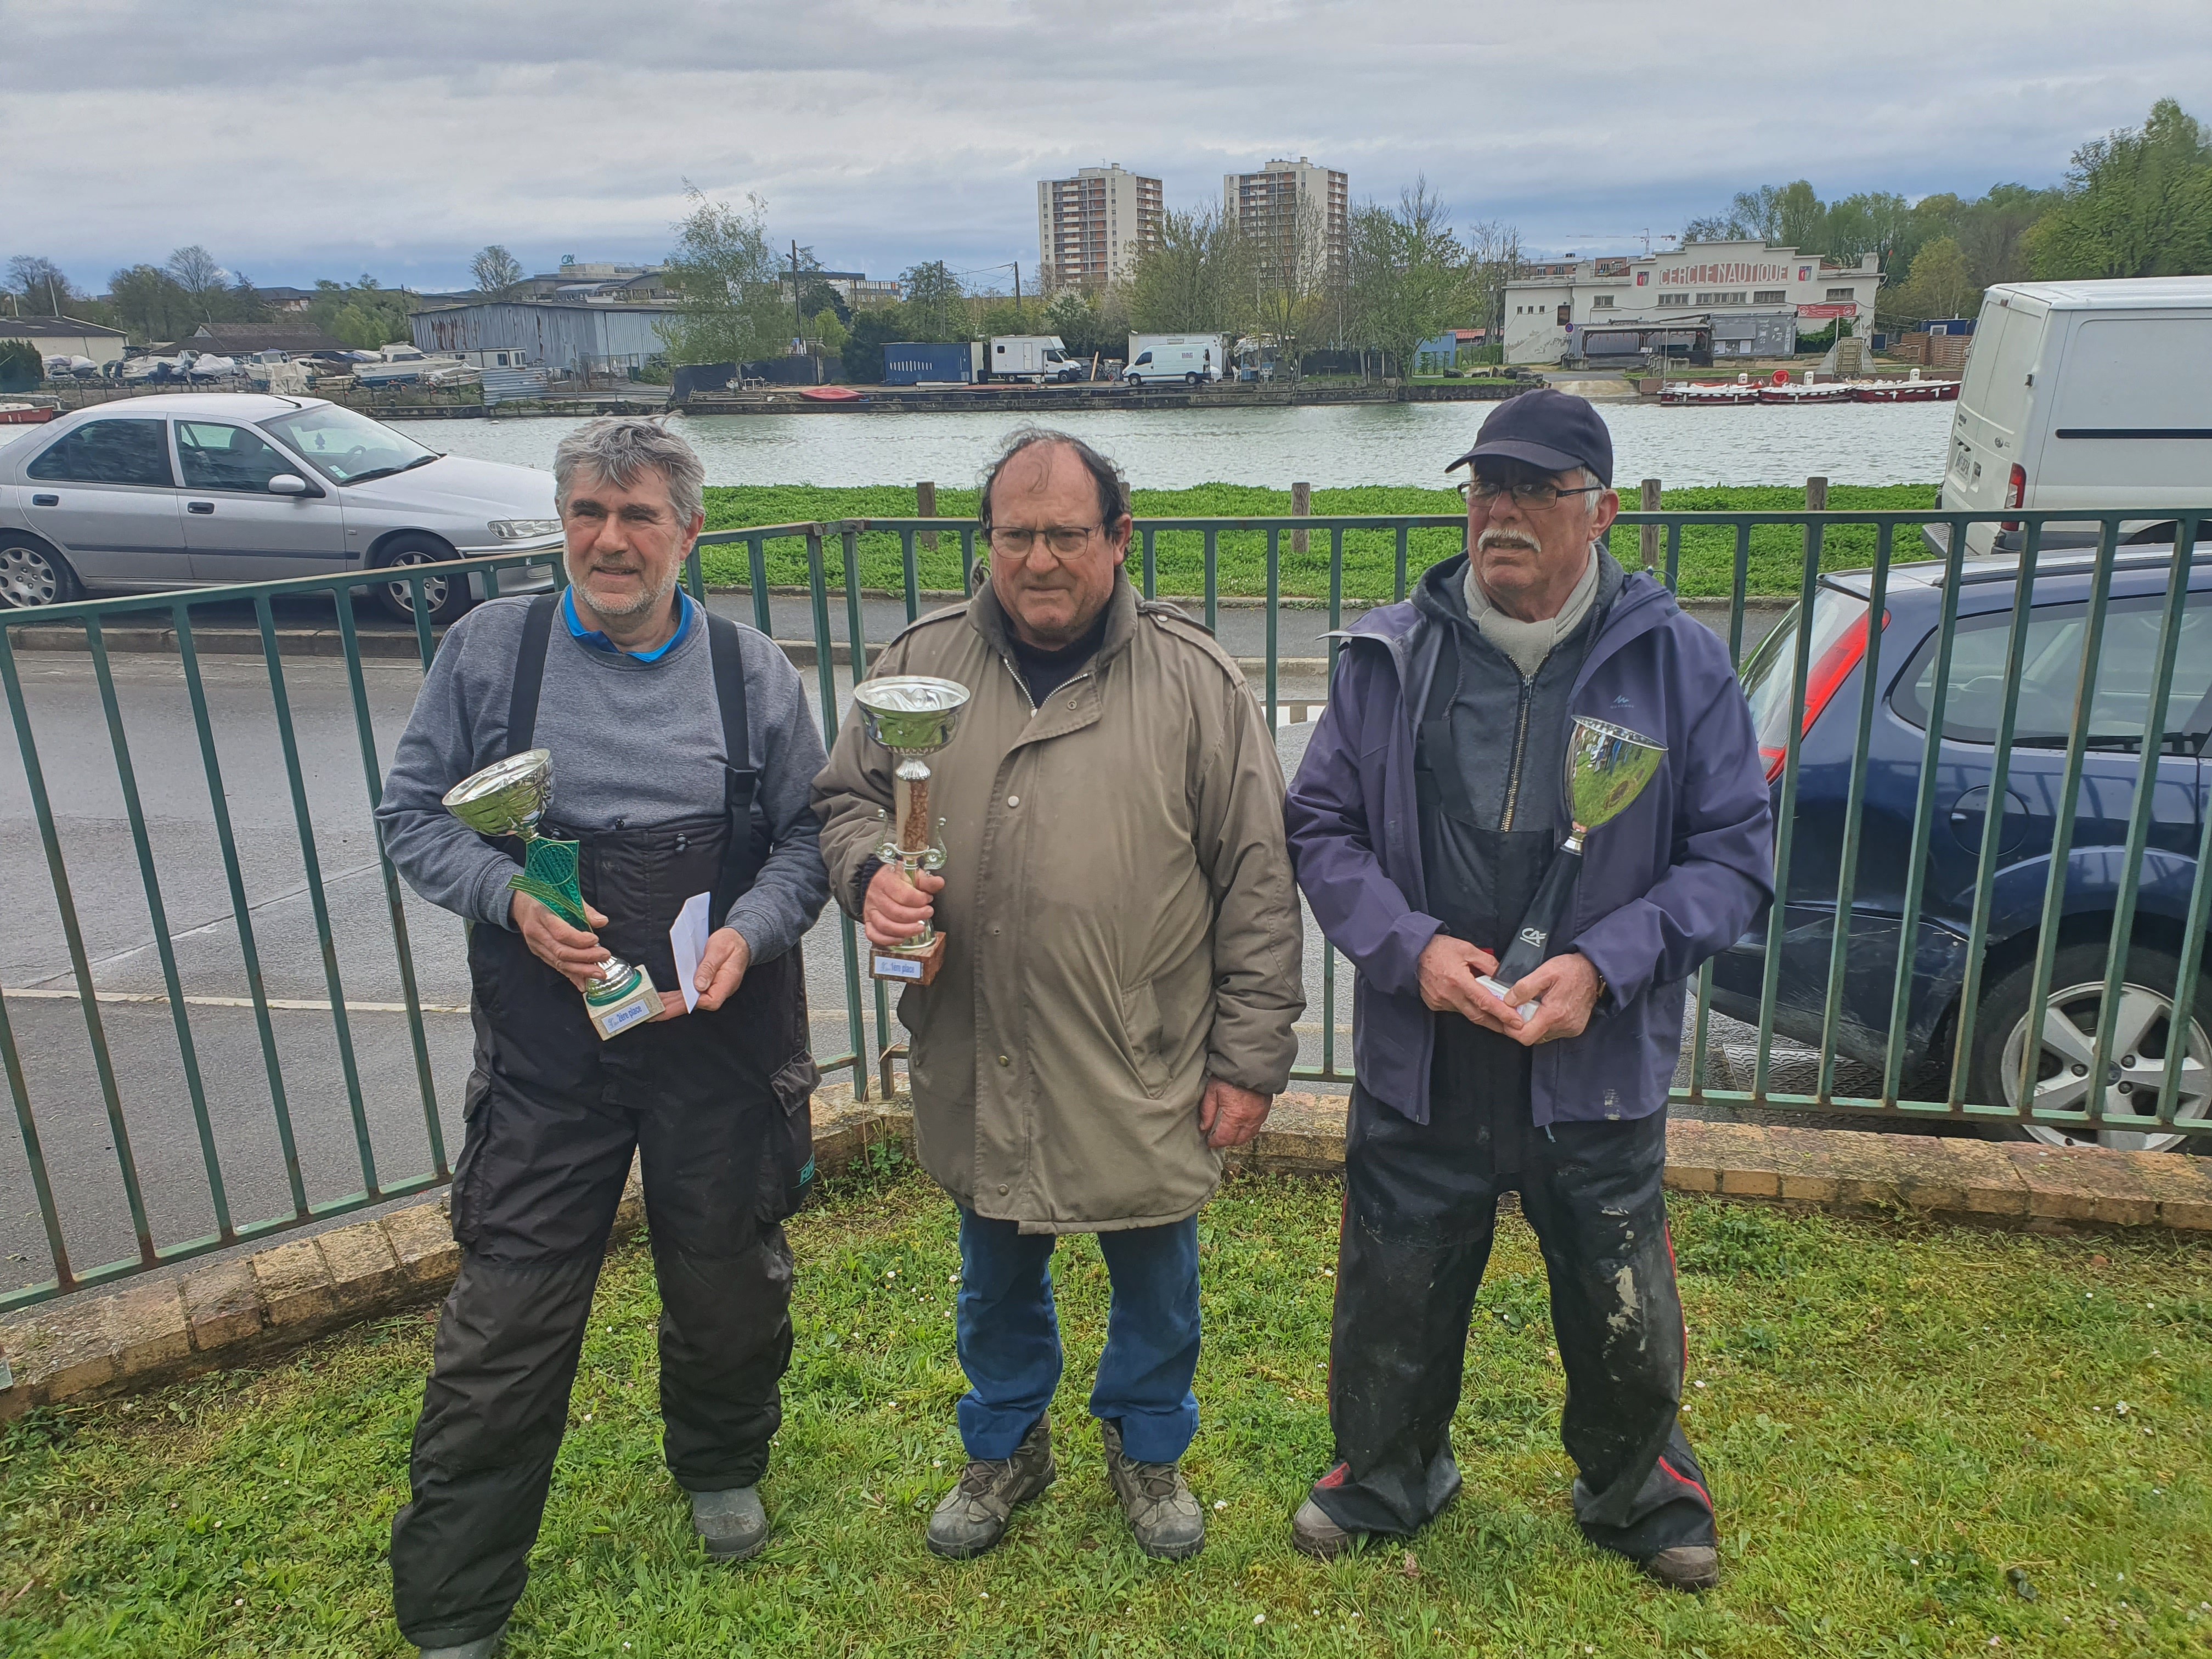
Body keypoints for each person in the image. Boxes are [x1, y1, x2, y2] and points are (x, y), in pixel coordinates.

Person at [1282, 390, 1773, 1590]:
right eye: (1485, 487)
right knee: (1396, 1279)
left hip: (1591, 1050)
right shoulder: (1389, 652)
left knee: (1619, 1288)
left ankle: (1640, 1486)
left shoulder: (1677, 661)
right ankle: (1388, 1472)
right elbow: (1322, 828)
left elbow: (1734, 860)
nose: (1499, 513)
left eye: (1535, 491)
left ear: (1599, 512)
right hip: (1428, 1039)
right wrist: (1409, 951)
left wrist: (1608, 965)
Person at [377, 419, 830, 1658]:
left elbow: (808, 839)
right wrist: (509, 898)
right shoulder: (488, 652)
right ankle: (459, 1605)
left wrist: (752, 927)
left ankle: (722, 1463)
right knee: (509, 1312)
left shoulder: (753, 673)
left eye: (637, 516)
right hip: (550, 1048)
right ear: (563, 521)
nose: (608, 540)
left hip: (716, 1032)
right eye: (587, 511)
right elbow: (414, 817)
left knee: (731, 1278)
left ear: (690, 532)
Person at [812, 428, 1304, 1561]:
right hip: (976, 1043)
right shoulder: (915, 668)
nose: (1039, 559)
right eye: (1016, 534)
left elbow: (1258, 881)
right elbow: (844, 803)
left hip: (1143, 1053)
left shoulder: (1196, 679)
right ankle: (1007, 1443)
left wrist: (1248, 1058)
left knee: (1157, 1280)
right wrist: (870, 872)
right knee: (993, 1279)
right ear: (987, 541)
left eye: (1066, 535)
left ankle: (1147, 1447)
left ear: (1119, 540)